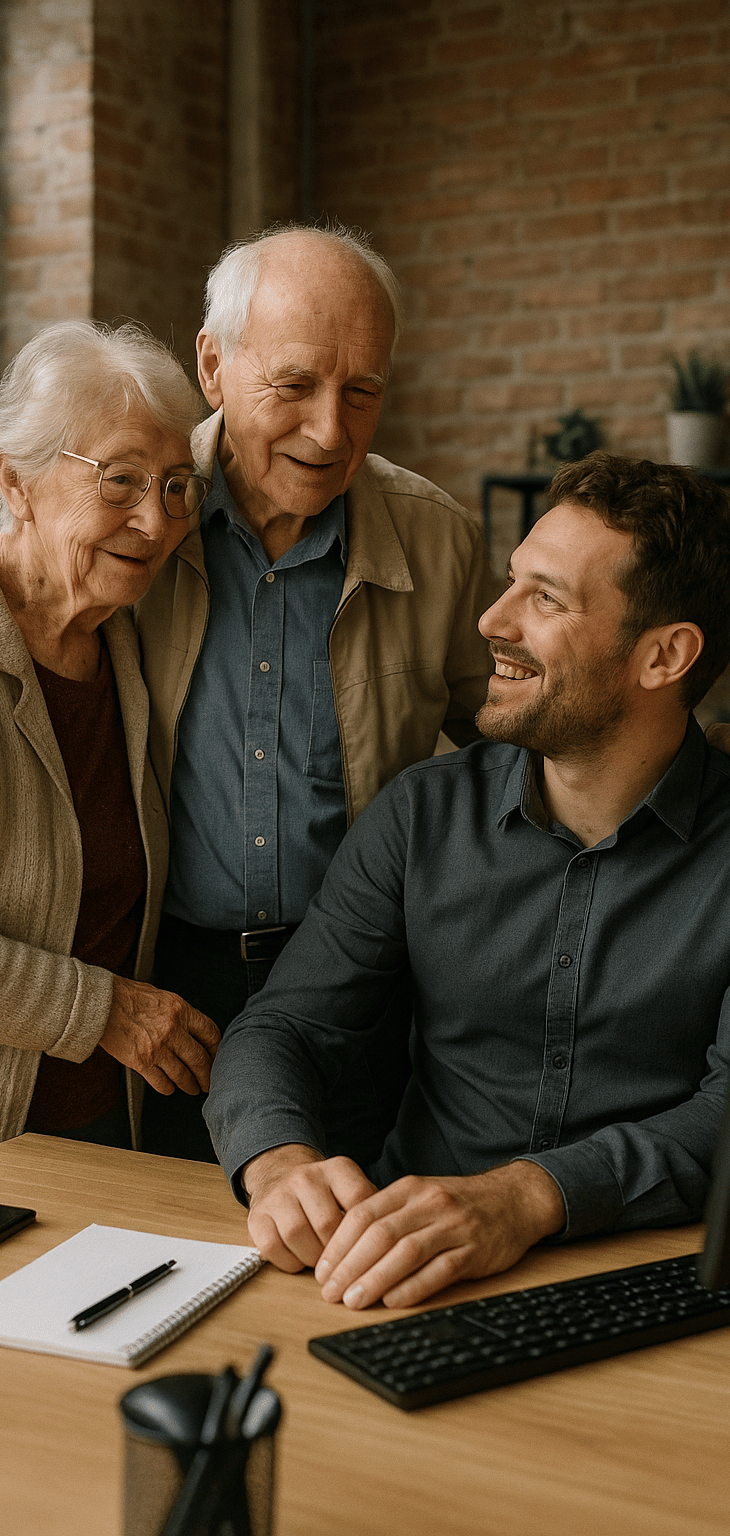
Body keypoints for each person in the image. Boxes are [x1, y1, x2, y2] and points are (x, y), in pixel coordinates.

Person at [204, 452, 730, 1312]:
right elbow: (283, 1025)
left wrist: (525, 1198)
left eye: (547, 599)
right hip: (393, 1266)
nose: (491, 620)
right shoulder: (422, 814)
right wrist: (279, 1160)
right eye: (512, 581)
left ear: (665, 656)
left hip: (651, 1280)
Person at [135, 222, 499, 1161]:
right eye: (293, 386)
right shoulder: (137, 518)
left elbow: (520, 725)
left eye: (362, 392)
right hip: (162, 982)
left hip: (358, 984)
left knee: (343, 1226)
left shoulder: (438, 538)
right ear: (213, 367)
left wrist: (687, 747)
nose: (331, 431)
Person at [0, 320, 220, 1148]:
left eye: (175, 487)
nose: (157, 523)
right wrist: (103, 1011)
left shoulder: (130, 642)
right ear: (15, 483)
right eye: (120, 480)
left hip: (103, 1125)